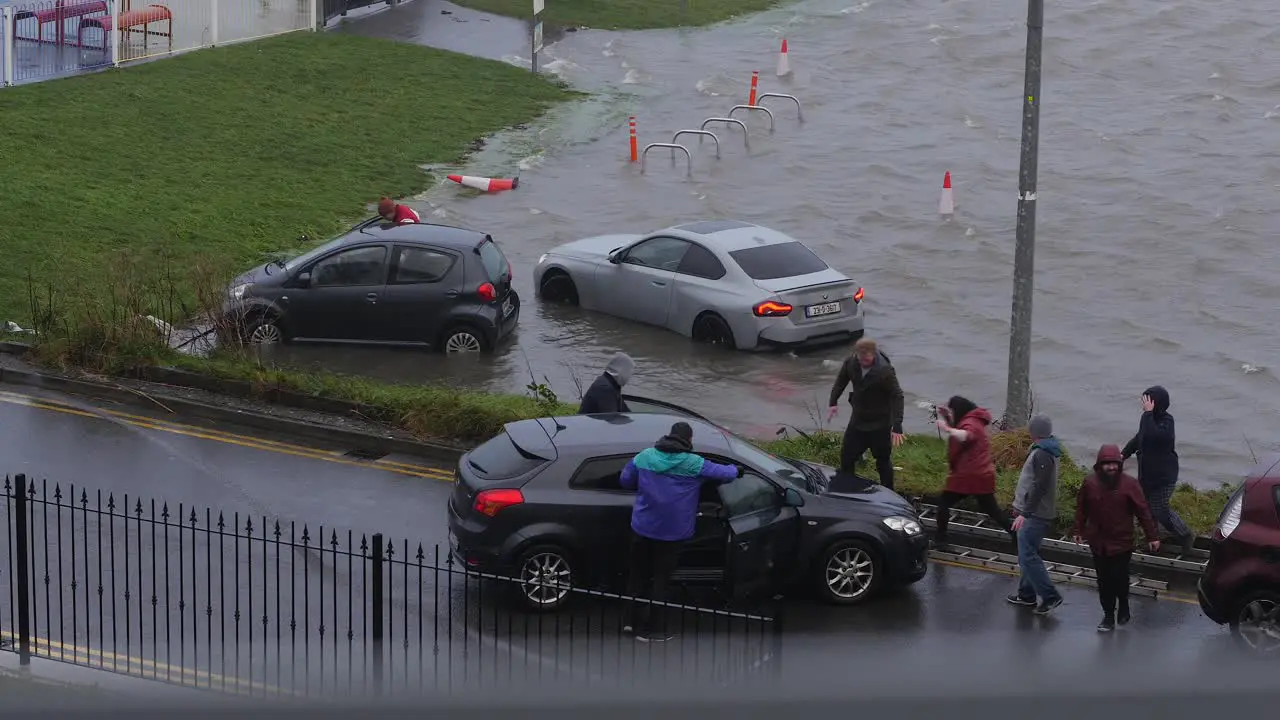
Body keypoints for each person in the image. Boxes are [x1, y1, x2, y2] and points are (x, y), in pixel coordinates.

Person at [618, 422, 742, 642]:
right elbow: (726, 473)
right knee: (661, 581)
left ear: (668, 435)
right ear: (689, 440)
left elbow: (625, 480)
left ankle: (629, 623)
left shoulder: (644, 457)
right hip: (672, 533)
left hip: (642, 527)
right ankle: (654, 630)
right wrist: (738, 470)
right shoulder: (693, 463)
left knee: (636, 577)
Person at [1073, 444, 1161, 632]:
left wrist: (1152, 536)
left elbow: (1143, 511)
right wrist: (1078, 530)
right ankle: (1108, 616)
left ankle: (1123, 604)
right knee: (1103, 581)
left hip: (1122, 542)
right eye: (1107, 464)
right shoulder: (1090, 483)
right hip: (1098, 542)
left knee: (1120, 579)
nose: (1112, 467)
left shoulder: (1130, 484)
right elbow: (1082, 509)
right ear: (1100, 465)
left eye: (1115, 464)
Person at [1121, 386, 1194, 555]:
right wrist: (1123, 454)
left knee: (1160, 510)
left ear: (1155, 403)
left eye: (1146, 401)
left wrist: (1147, 414)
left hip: (1163, 476)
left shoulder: (1167, 421)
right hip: (1147, 474)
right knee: (1146, 509)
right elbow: (1140, 437)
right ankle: (1153, 541)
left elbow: (1155, 436)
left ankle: (1185, 535)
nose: (1143, 404)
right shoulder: (1147, 419)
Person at [933, 396, 1014, 546]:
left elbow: (964, 436)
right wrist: (946, 416)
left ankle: (941, 539)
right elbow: (959, 428)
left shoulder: (971, 424)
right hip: (981, 476)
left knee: (944, 503)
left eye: (952, 411)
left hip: (967, 476)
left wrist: (947, 428)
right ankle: (1015, 534)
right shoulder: (974, 420)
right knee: (992, 510)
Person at [826, 337, 906, 489]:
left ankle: (889, 491)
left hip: (880, 422)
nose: (863, 363)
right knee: (847, 457)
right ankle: (848, 489)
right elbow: (841, 380)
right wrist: (833, 402)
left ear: (873, 354)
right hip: (858, 419)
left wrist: (897, 426)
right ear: (857, 355)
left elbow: (897, 395)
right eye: (861, 360)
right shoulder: (851, 362)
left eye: (867, 360)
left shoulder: (884, 370)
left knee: (882, 460)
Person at [1006, 414, 1064, 615]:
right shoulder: (1048, 450)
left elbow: (1039, 486)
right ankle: (1026, 595)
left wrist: (1025, 512)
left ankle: (1050, 596)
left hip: (1035, 514)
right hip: (1035, 512)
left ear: (1034, 432)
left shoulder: (1042, 454)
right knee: (1028, 553)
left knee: (1028, 556)